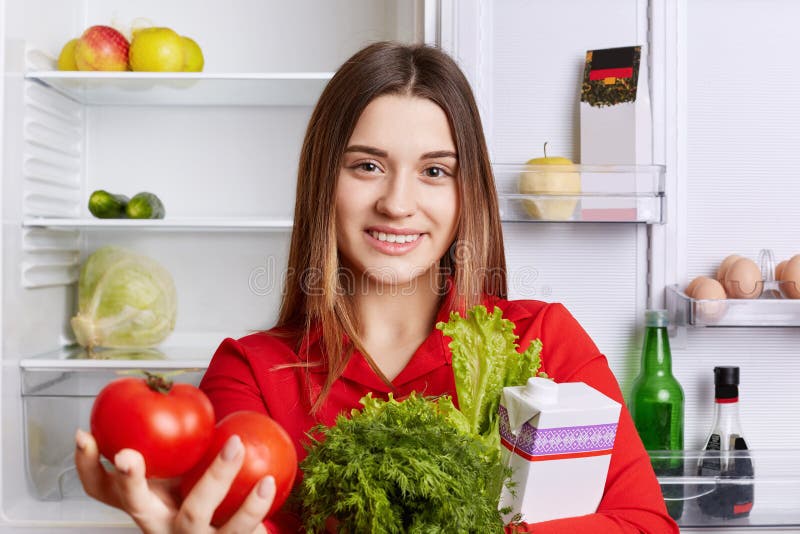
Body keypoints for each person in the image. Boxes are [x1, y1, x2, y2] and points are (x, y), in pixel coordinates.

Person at [75, 41, 679, 534]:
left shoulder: (544, 341)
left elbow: (645, 525)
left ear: (468, 194)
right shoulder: (252, 373)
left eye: (434, 171)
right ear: (323, 181)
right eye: (367, 166)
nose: (396, 202)